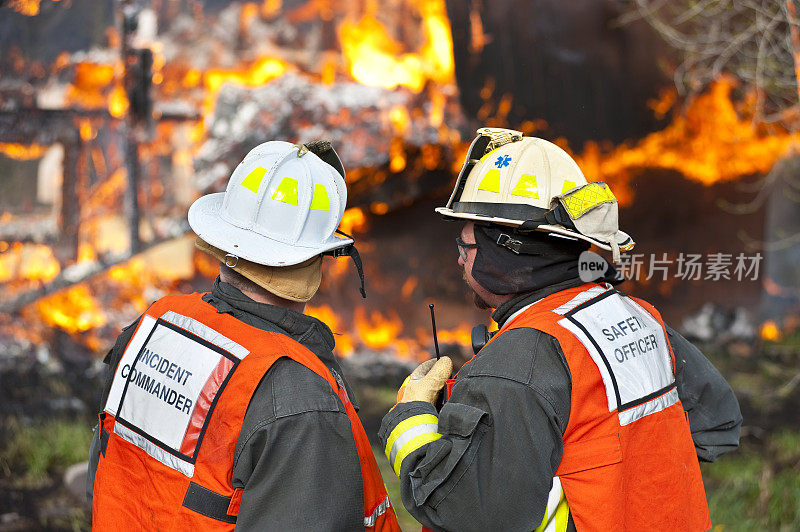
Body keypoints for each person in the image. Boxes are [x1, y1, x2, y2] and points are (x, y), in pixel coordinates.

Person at [379, 128, 742, 531]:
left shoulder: (518, 362)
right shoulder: (638, 316)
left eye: (466, 245)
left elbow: (466, 515)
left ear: (504, 250)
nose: (461, 261)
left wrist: (411, 419)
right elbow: (715, 427)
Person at [89, 140, 399, 530]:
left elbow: (105, 469)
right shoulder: (298, 397)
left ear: (223, 237)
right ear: (317, 258)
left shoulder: (153, 325)